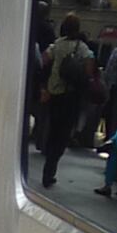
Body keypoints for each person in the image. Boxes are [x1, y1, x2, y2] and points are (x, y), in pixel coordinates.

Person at [37, 15, 94, 189]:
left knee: (54, 130)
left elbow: (43, 60)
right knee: (63, 136)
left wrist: (45, 84)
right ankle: (51, 168)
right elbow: (90, 71)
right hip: (71, 97)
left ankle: (48, 167)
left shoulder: (57, 44)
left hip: (55, 95)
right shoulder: (82, 48)